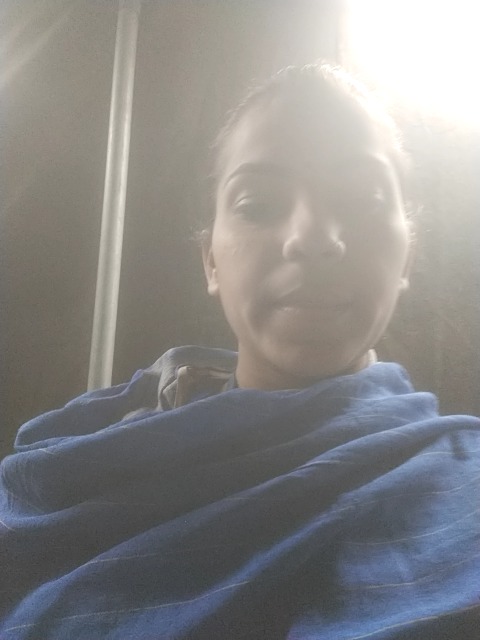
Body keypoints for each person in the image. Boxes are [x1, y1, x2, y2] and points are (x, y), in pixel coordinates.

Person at [1, 63, 479, 639]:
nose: (312, 237)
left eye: (361, 199)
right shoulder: (68, 476)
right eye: (258, 204)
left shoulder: (466, 489)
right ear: (211, 262)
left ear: (407, 258)